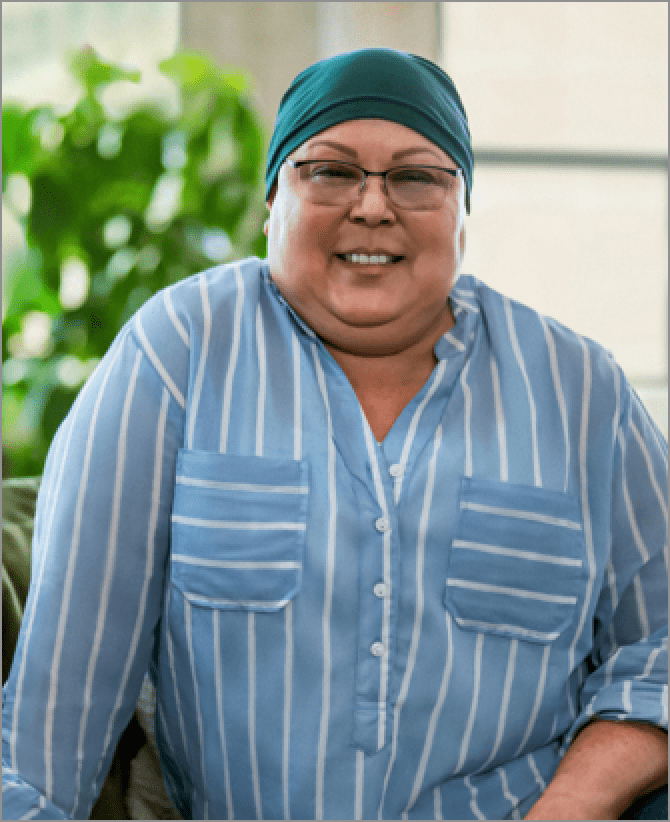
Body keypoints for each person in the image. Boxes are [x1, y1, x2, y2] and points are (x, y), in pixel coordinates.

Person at [2, 48, 667, 821]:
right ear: (271, 203)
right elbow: (57, 710)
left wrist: (573, 807)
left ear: (463, 211)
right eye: (331, 170)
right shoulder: (176, 354)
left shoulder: (579, 391)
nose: (373, 207)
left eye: (416, 176)